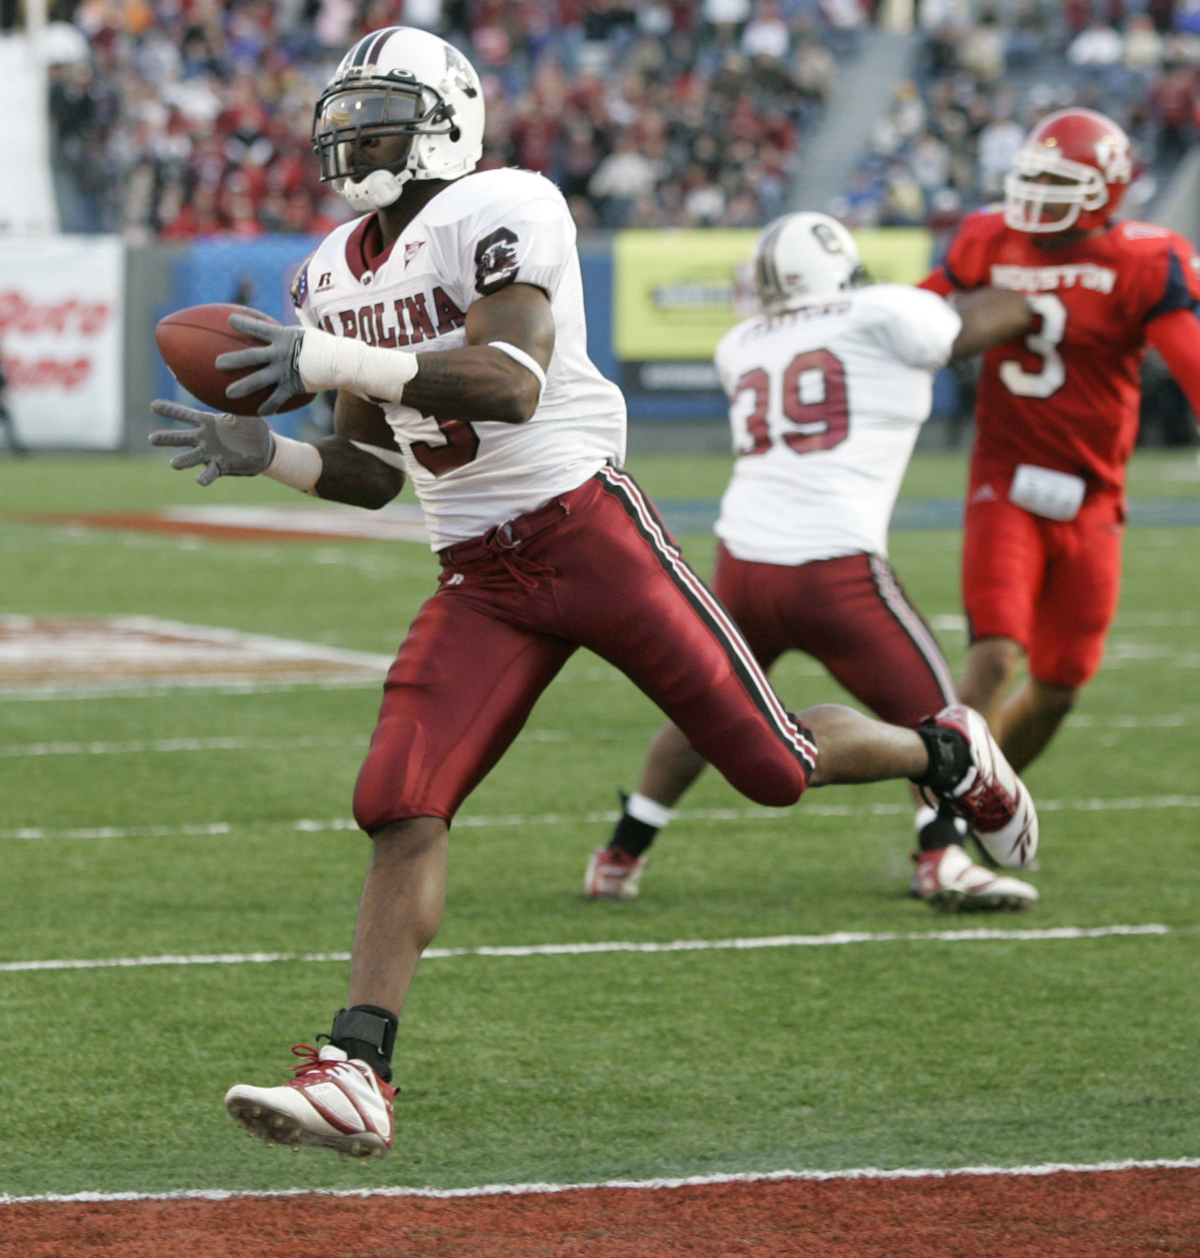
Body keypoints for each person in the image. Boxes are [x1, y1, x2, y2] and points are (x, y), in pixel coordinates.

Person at [147, 28, 1037, 1162]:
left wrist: (326, 363)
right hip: (477, 570)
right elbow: (374, 469)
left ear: (444, 120)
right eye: (344, 113)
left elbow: (509, 383)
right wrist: (263, 451)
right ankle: (356, 1068)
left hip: (586, 530)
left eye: (376, 112)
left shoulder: (505, 204)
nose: (349, 134)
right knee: (401, 797)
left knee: (773, 767)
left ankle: (946, 754)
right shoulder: (325, 271)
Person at [588, 212, 1039, 911]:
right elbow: (974, 327)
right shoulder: (885, 308)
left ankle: (621, 853)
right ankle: (942, 858)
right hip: (835, 570)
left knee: (709, 713)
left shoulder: (740, 343)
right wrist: (1033, 292)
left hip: (742, 565)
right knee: (942, 723)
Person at [919, 108, 1200, 777]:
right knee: (992, 658)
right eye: (1034, 177)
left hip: (1093, 495)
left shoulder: (1142, 257)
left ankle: (988, 804)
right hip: (1005, 479)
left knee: (1059, 687)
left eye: (1059, 180)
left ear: (1105, 189)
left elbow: (1191, 365)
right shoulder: (990, 237)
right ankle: (940, 837)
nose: (1039, 195)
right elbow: (917, 315)